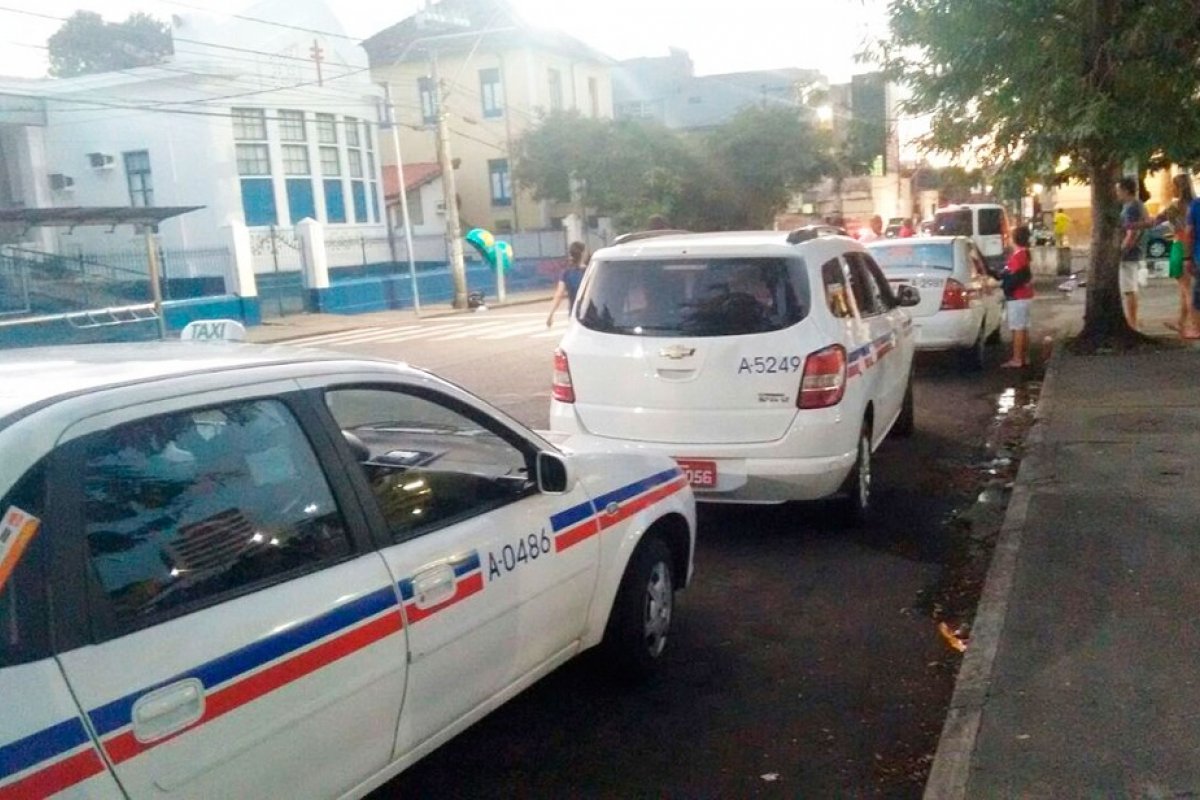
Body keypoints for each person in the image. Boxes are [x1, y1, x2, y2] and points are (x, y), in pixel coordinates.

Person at [1151, 174, 1199, 337]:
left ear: (1178, 188)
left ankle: (1194, 325)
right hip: (1194, 246)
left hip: (1179, 245)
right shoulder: (1196, 204)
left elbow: (1156, 220)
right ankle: (1181, 322)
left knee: (1186, 290)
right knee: (1185, 290)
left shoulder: (1174, 206)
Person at [1116, 176, 1149, 330]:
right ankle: (1132, 321)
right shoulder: (1134, 205)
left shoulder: (1132, 207)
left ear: (1125, 190)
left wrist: (1122, 250)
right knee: (1130, 288)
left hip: (1129, 254)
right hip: (1133, 252)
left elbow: (1132, 232)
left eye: (1119, 189)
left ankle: (1132, 323)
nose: (1117, 193)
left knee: (1129, 289)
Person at [1001, 224, 1034, 368]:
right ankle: (1024, 356)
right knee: (1024, 327)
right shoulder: (1025, 253)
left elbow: (1013, 277)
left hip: (1017, 296)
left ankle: (1017, 358)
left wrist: (1004, 284)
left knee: (1017, 328)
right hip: (1025, 295)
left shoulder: (1017, 256)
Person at [547, 241, 588, 327]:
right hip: (590, 313)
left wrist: (551, 314)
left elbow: (559, 294)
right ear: (583, 254)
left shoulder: (566, 273)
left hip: (574, 314)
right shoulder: (589, 271)